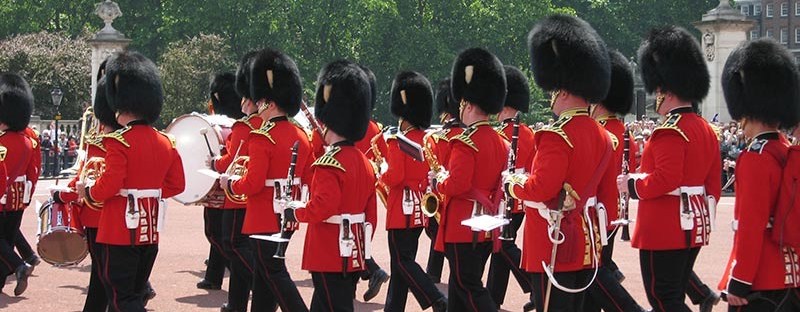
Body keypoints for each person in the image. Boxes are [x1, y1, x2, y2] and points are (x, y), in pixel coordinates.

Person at [504, 14, 613, 312]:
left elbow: (541, 189)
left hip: (554, 241)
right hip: (586, 242)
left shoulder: (556, 136)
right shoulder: (604, 137)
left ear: (562, 91)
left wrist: (513, 184)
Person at [617, 26, 721, 312]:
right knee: (671, 293)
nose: (656, 96)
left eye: (659, 90)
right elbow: (713, 183)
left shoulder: (670, 131)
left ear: (668, 91)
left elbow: (665, 179)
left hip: (665, 227)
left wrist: (632, 185)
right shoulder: (706, 130)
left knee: (662, 296)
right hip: (693, 224)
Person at [78, 51, 185, 312]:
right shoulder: (165, 141)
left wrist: (89, 191)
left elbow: (110, 185)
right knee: (133, 294)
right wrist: (147, 191)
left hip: (118, 231)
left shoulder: (118, 141)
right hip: (149, 231)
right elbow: (176, 185)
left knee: (120, 297)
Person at [222, 48, 310, 312]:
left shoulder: (262, 137)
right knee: (262, 278)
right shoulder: (301, 135)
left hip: (263, 215)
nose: (256, 106)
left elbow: (252, 184)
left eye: (259, 102)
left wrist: (230, 184)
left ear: (269, 103)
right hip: (287, 214)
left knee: (273, 272)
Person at [718, 38, 800, 311]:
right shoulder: (784, 148)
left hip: (761, 279)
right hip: (791, 272)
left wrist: (740, 279)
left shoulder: (755, 157)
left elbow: (752, 225)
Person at [289, 59, 377, 311]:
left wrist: (295, 211)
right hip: (353, 250)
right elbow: (370, 215)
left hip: (329, 252)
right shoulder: (364, 162)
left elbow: (321, 208)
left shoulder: (329, 163)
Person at [433, 47, 507, 312]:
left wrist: (439, 180)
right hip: (486, 225)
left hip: (463, 227)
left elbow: (457, 185)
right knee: (458, 287)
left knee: (468, 285)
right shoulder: (502, 142)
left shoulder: (466, 143)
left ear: (468, 104)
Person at [53, 69, 122, 312]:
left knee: (106, 276)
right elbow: (84, 174)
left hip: (104, 214)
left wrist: (70, 194)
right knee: (101, 274)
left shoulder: (117, 143)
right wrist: (67, 190)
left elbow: (102, 182)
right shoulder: (97, 139)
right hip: (93, 215)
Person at [585, 49, 647, 312]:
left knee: (593, 273)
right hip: (615, 211)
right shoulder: (626, 135)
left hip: (596, 214)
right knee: (593, 274)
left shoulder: (599, 134)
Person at [381, 71, 447, 312]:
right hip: (420, 210)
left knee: (401, 260)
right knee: (401, 265)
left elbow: (395, 177)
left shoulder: (400, 142)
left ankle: (437, 298)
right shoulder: (429, 140)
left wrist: (381, 172)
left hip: (401, 211)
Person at [211, 51, 262, 312]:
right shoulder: (261, 126)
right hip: (252, 196)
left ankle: (263, 284)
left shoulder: (244, 127)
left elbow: (231, 160)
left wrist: (213, 163)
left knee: (231, 244)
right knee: (241, 245)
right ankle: (237, 302)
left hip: (237, 195)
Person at [487, 65, 535, 311]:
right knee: (500, 248)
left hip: (506, 199)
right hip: (522, 199)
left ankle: (536, 286)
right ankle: (492, 298)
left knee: (504, 245)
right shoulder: (529, 133)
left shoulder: (505, 134)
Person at [196, 72, 245, 291]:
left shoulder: (237, 128)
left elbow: (228, 159)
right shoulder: (232, 125)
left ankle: (244, 275)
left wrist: (215, 163)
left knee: (218, 234)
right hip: (226, 186)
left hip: (227, 186)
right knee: (221, 235)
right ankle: (214, 275)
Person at [422, 78, 461, 285]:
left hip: (441, 191)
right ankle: (433, 272)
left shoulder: (436, 138)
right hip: (457, 194)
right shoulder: (466, 135)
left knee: (438, 233)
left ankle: (436, 273)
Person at [0, 72, 36, 296]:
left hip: (3, 199)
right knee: (9, 238)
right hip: (18, 197)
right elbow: (33, 171)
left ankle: (19, 265)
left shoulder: (3, 142)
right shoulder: (27, 141)